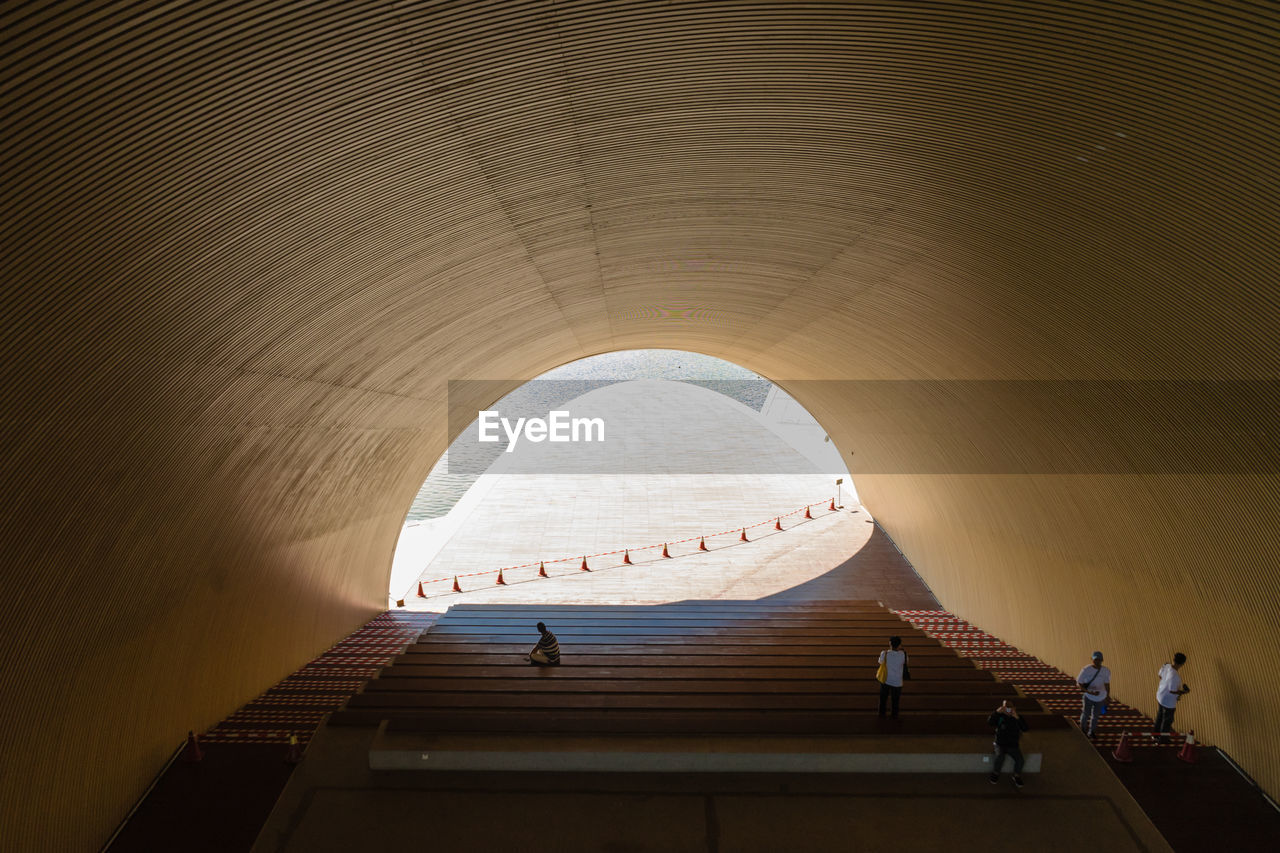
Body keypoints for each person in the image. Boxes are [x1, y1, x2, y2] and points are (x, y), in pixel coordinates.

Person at [988, 699, 1029, 788]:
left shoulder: (1018, 717)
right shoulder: (999, 716)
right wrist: (996, 712)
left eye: (1010, 707)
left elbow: (1025, 728)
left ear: (1014, 708)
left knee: (1020, 760)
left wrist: (1017, 717)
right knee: (1000, 757)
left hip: (1013, 745)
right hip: (1000, 744)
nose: (1008, 709)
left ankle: (1016, 776)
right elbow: (990, 722)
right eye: (1005, 707)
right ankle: (996, 773)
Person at [1152, 652, 1189, 742]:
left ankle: (1155, 735)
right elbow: (1172, 690)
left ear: (1173, 659)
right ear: (1182, 664)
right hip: (1168, 701)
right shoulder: (1175, 676)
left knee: (1159, 716)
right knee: (1167, 720)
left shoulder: (1166, 665)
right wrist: (1183, 692)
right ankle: (1163, 739)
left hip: (1160, 695)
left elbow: (1160, 675)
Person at [1076, 650, 1111, 738]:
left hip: (1100, 697)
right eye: (1095, 659)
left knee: (1096, 716)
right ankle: (1083, 729)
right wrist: (1089, 692)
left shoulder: (1106, 671)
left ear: (1102, 660)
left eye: (1099, 660)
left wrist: (1107, 696)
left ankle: (1091, 732)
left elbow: (1107, 684)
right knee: (1086, 713)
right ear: (1092, 659)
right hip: (1088, 696)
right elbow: (1079, 683)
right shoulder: (1086, 669)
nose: (1097, 661)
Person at [876, 635, 908, 717]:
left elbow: (880, 662)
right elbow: (906, 663)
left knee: (883, 699)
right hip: (897, 682)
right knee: (895, 701)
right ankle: (894, 716)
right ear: (900, 644)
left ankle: (881, 715)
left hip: (885, 679)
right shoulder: (903, 654)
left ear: (890, 643)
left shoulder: (884, 653)